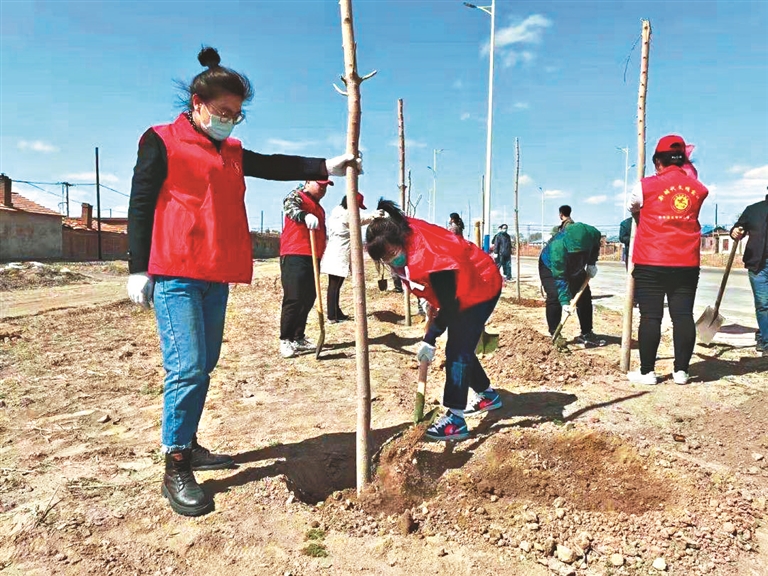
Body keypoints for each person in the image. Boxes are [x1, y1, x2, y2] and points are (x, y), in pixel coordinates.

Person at [126, 46, 359, 517]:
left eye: (237, 114)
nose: (230, 120)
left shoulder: (230, 150)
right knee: (187, 366)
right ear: (197, 102)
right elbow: (141, 200)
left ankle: (188, 443)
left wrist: (322, 166)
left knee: (205, 363)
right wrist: (137, 265)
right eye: (222, 111)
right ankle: (175, 464)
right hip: (175, 272)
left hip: (216, 273)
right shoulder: (160, 139)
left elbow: (272, 164)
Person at [365, 200, 503, 441]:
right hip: (463, 282)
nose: (390, 261)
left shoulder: (431, 260)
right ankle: (487, 395)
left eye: (391, 254)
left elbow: (450, 307)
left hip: (481, 285)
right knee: (462, 345)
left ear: (399, 241)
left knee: (457, 351)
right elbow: (440, 296)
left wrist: (430, 338)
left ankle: (456, 420)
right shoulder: (401, 229)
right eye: (384, 258)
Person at [627, 134, 708, 385]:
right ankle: (682, 371)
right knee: (683, 315)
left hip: (651, 260)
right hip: (686, 262)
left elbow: (632, 207)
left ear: (657, 161)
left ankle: (647, 372)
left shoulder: (644, 185)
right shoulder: (699, 189)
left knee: (651, 317)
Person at [280, 180, 333, 357]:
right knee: (294, 297)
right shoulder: (296, 196)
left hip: (313, 256)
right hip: (295, 253)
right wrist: (304, 216)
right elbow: (290, 208)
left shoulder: (320, 208)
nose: (323, 189)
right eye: (320, 184)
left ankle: (298, 336)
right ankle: (285, 339)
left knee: (309, 297)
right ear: (308, 182)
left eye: (326, 186)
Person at [538, 222, 603, 347]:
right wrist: (564, 302)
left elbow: (595, 247)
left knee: (584, 295)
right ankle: (555, 334)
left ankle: (586, 333)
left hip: (575, 266)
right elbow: (560, 277)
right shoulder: (557, 247)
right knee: (555, 296)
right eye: (575, 252)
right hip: (550, 266)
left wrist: (591, 263)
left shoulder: (593, 234)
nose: (577, 255)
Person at [320, 193, 377, 323]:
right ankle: (331, 316)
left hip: (339, 254)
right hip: (336, 255)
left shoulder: (341, 213)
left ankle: (336, 312)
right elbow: (357, 220)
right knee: (333, 286)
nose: (357, 209)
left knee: (337, 285)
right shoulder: (342, 214)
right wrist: (373, 216)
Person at [730, 189, 768, 357]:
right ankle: (766, 341)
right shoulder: (753, 210)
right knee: (764, 304)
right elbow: (738, 228)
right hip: (759, 265)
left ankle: (762, 335)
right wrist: (735, 232)